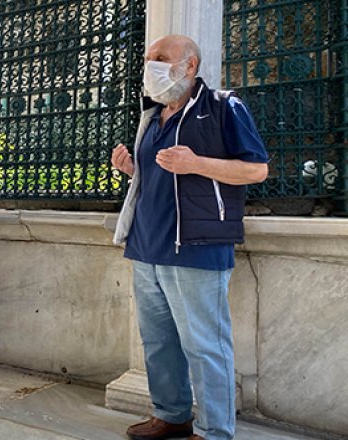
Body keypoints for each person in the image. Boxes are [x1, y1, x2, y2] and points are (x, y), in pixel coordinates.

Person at [111, 35, 269, 440]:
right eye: (149, 59)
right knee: (158, 343)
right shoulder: (153, 116)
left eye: (161, 58)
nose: (152, 66)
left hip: (196, 249)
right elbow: (161, 178)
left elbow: (256, 170)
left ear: (190, 65)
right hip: (147, 246)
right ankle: (172, 415)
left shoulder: (222, 107)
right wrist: (132, 169)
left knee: (205, 346)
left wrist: (197, 163)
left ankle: (214, 430)